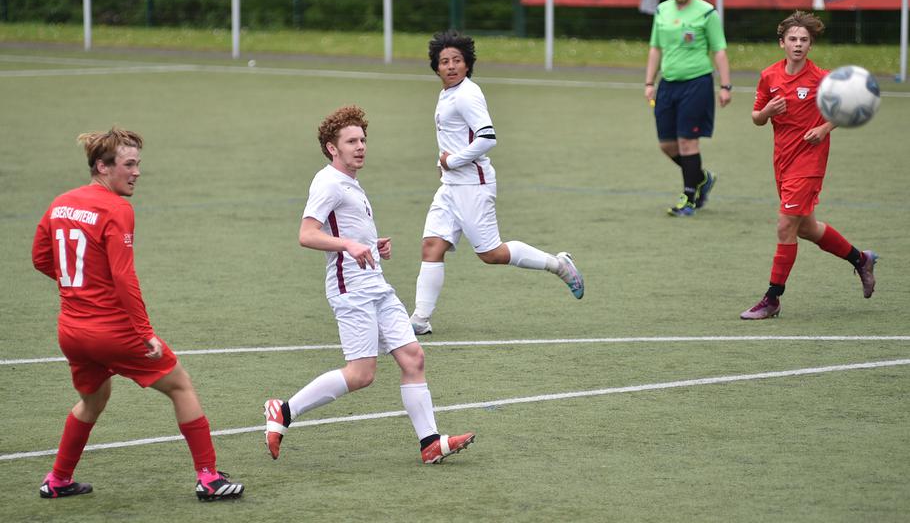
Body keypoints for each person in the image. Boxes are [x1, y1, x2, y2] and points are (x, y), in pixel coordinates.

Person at [31, 128, 244, 501]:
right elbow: (123, 276)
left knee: (92, 401)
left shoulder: (60, 202)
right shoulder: (117, 208)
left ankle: (58, 478)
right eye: (129, 165)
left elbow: (41, 259)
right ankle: (209, 478)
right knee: (180, 386)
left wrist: (79, 285)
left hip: (72, 331)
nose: (137, 172)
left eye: (138, 164)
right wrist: (143, 330)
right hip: (112, 330)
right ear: (103, 166)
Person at [263, 105, 475, 464]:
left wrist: (371, 246)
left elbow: (346, 230)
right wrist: (347, 244)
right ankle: (283, 410)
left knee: (413, 358)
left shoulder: (351, 183)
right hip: (351, 288)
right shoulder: (327, 182)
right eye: (351, 141)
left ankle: (430, 442)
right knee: (361, 374)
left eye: (362, 139)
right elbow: (307, 234)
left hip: (376, 283)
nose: (360, 146)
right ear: (333, 148)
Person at [408, 30, 585, 336]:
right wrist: (444, 164)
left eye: (457, 61)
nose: (450, 66)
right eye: (444, 61)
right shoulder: (448, 93)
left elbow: (487, 138)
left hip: (473, 186)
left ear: (467, 64)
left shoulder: (467, 94)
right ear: (436, 67)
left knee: (491, 254)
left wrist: (453, 161)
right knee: (432, 246)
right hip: (451, 187)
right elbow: (455, 138)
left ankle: (558, 265)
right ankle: (420, 320)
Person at [741, 11, 878, 319]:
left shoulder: (823, 80)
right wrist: (767, 111)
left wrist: (824, 128)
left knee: (785, 225)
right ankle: (861, 259)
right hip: (782, 160)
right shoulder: (769, 76)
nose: (798, 45)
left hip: (810, 160)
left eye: (804, 40)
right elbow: (756, 118)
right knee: (806, 228)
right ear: (782, 43)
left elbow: (849, 106)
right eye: (793, 39)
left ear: (810, 45)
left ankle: (772, 298)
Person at [644, 0, 731, 216]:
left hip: (697, 83)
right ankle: (702, 177)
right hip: (667, 84)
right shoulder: (661, 11)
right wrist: (649, 82)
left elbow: (719, 50)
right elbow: (655, 49)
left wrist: (725, 86)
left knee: (687, 142)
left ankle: (689, 198)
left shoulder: (706, 13)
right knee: (666, 144)